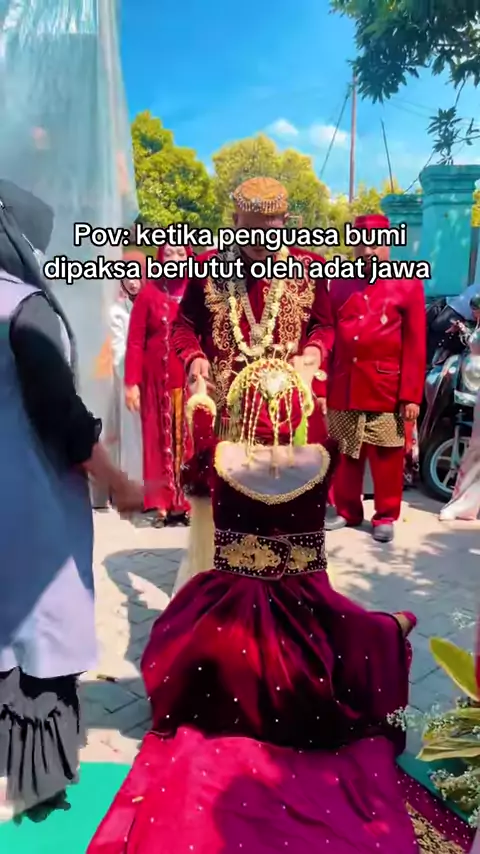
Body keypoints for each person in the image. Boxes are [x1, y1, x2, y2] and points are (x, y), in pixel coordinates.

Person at [87, 357, 473, 853]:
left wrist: (202, 398)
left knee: (179, 637)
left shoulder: (218, 456)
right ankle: (387, 630)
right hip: (305, 613)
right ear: (297, 409)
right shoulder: (322, 456)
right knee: (359, 637)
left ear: (242, 408)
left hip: (225, 614)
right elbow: (329, 435)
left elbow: (193, 469)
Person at [0, 179, 142, 821]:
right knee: (41, 634)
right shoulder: (23, 310)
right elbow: (64, 420)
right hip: (28, 504)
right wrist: (118, 482)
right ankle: (32, 785)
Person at [171, 176, 334, 437]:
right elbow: (183, 326)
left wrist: (315, 349)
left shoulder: (309, 268)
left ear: (285, 221)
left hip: (290, 414)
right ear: (235, 220)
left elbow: (323, 326)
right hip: (227, 418)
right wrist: (194, 357)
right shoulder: (207, 268)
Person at [326, 213, 426, 543]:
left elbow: (415, 343)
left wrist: (410, 395)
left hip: (386, 387)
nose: (367, 251)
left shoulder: (407, 283)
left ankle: (385, 515)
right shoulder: (340, 282)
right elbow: (329, 331)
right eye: (361, 245)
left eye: (375, 245)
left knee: (386, 456)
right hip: (345, 383)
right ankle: (348, 511)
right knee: (346, 454)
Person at [124, 242, 192, 526]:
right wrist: (131, 383)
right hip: (154, 383)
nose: (174, 258)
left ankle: (185, 503)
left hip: (189, 382)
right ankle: (161, 503)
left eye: (180, 253)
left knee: (188, 442)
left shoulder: (197, 292)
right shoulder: (148, 294)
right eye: (169, 253)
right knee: (157, 441)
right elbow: (135, 341)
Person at [108, 251, 144, 481]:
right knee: (132, 434)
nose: (132, 282)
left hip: (152, 380)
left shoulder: (153, 303)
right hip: (131, 381)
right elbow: (118, 352)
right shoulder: (118, 312)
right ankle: (134, 483)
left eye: (136, 275)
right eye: (126, 276)